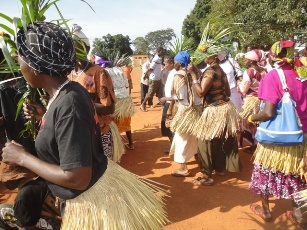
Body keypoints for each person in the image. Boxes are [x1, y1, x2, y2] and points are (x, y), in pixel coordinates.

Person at [1, 21, 168, 229]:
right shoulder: (68, 90)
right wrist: (45, 116)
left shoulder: (69, 102)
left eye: (21, 60)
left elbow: (77, 178)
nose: (19, 65)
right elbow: (69, 131)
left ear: (35, 66)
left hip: (88, 199)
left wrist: (22, 158)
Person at [248, 40, 307, 228]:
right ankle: (298, 213)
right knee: (296, 173)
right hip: (300, 135)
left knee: (266, 170)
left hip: (276, 138)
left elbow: (268, 113)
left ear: (273, 56)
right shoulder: (303, 74)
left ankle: (265, 210)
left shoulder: (273, 76)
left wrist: (251, 118)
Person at [188, 24, 241, 186]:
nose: (204, 58)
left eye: (206, 56)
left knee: (204, 141)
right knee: (219, 140)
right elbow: (229, 93)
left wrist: (193, 76)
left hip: (215, 110)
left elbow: (201, 92)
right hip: (226, 108)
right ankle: (220, 168)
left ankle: (206, 175)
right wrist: (199, 73)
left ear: (211, 57)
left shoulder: (210, 72)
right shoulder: (221, 70)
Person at [70, 24, 124, 163]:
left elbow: (109, 108)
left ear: (87, 49)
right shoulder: (68, 74)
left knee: (105, 173)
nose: (72, 52)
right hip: (78, 135)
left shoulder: (98, 72)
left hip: (99, 132)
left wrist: (80, 103)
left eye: (76, 48)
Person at [165, 51, 202, 176]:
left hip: (185, 110)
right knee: (195, 136)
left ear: (180, 63)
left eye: (175, 61)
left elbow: (179, 97)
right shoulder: (195, 73)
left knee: (182, 137)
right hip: (197, 109)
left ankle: (183, 168)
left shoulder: (179, 76)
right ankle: (200, 161)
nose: (174, 63)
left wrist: (167, 102)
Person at [94, 55, 135, 150]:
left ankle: (117, 147)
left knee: (112, 123)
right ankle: (131, 143)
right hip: (126, 99)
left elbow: (105, 89)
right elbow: (126, 84)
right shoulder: (119, 69)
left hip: (115, 100)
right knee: (126, 122)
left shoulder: (104, 72)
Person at [238, 49, 267, 149]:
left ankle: (251, 145)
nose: (244, 60)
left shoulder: (249, 72)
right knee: (259, 122)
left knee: (248, 123)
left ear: (251, 61)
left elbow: (243, 88)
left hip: (251, 101)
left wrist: (239, 86)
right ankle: (259, 144)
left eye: (246, 59)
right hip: (262, 101)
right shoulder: (264, 71)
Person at [159, 56, 176, 154]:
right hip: (168, 103)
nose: (164, 66)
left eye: (166, 64)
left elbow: (175, 94)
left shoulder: (175, 74)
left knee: (171, 127)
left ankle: (175, 149)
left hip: (171, 104)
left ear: (172, 63)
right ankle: (172, 148)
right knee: (167, 127)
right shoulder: (170, 73)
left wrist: (169, 107)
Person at [140, 47, 164, 112]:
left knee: (160, 93)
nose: (162, 53)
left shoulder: (159, 58)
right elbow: (150, 68)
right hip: (154, 79)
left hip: (158, 78)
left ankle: (163, 107)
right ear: (158, 52)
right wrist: (145, 75)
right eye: (161, 51)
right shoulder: (156, 59)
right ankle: (143, 104)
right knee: (150, 94)